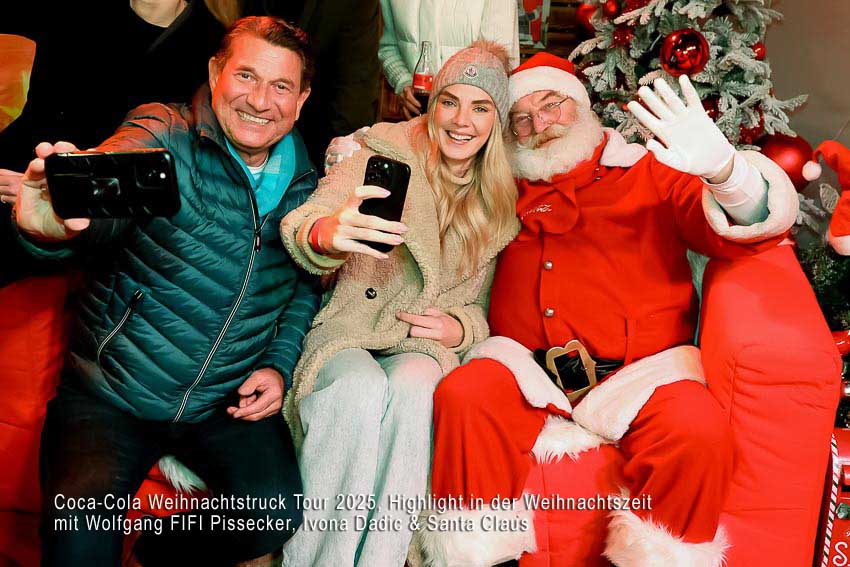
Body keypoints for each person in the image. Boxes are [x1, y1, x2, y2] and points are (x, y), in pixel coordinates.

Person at [416, 52, 799, 566]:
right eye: (521, 119)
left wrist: (726, 172)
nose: (539, 126)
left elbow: (743, 226)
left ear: (582, 105)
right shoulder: (503, 184)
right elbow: (435, 162)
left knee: (697, 432)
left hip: (642, 374)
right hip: (527, 369)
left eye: (552, 105)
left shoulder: (650, 172)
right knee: (466, 394)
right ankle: (478, 557)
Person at [12, 16, 319, 566]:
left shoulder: (307, 186)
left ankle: (156, 555)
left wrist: (277, 365)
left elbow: (302, 287)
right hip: (113, 392)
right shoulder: (163, 134)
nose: (259, 101)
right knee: (78, 540)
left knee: (272, 515)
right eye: (246, 76)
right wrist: (53, 226)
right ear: (215, 73)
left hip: (221, 401)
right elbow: (100, 209)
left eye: (280, 86)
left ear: (301, 101)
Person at [278, 42, 519, 566]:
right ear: (433, 106)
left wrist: (459, 329)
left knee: (415, 390)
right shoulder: (380, 151)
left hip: (417, 339)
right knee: (357, 390)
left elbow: (482, 306)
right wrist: (327, 233)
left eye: (480, 108)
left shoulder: (498, 198)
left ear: (496, 121)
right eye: (450, 101)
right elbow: (306, 221)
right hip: (351, 324)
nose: (462, 121)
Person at [1, 0, 226, 286]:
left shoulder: (212, 47)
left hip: (96, 223)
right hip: (13, 170)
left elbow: (177, 171)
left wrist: (53, 189)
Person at [242, 0, 382, 174]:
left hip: (315, 140)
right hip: (227, 129)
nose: (259, 102)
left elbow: (356, 90)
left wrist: (339, 167)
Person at [378, 0, 520, 120]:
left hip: (470, 124)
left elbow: (497, 63)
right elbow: (389, 47)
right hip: (417, 120)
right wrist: (403, 82)